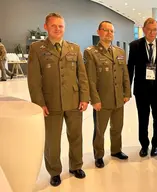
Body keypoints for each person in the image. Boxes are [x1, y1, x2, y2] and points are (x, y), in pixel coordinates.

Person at [27, 13, 89, 186]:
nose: (57, 29)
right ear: (46, 27)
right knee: (52, 140)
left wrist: (85, 97)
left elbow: (82, 76)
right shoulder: (37, 48)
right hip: (51, 102)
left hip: (74, 101)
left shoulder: (74, 48)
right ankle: (54, 171)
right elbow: (34, 79)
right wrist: (39, 103)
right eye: (53, 25)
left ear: (64, 27)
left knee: (76, 136)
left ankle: (76, 166)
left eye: (60, 26)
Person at [84, 21, 131, 168]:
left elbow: (125, 74)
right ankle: (98, 155)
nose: (109, 33)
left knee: (117, 127)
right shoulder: (91, 52)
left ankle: (116, 150)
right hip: (102, 100)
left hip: (118, 98)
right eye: (106, 30)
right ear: (99, 32)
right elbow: (90, 79)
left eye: (112, 31)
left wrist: (127, 92)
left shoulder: (119, 52)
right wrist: (94, 100)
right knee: (100, 130)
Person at [127, 18, 157, 157]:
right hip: (141, 90)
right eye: (149, 29)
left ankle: (155, 144)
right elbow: (130, 69)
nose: (152, 32)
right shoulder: (135, 45)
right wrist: (127, 90)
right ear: (143, 29)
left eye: (154, 29)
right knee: (143, 119)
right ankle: (144, 145)